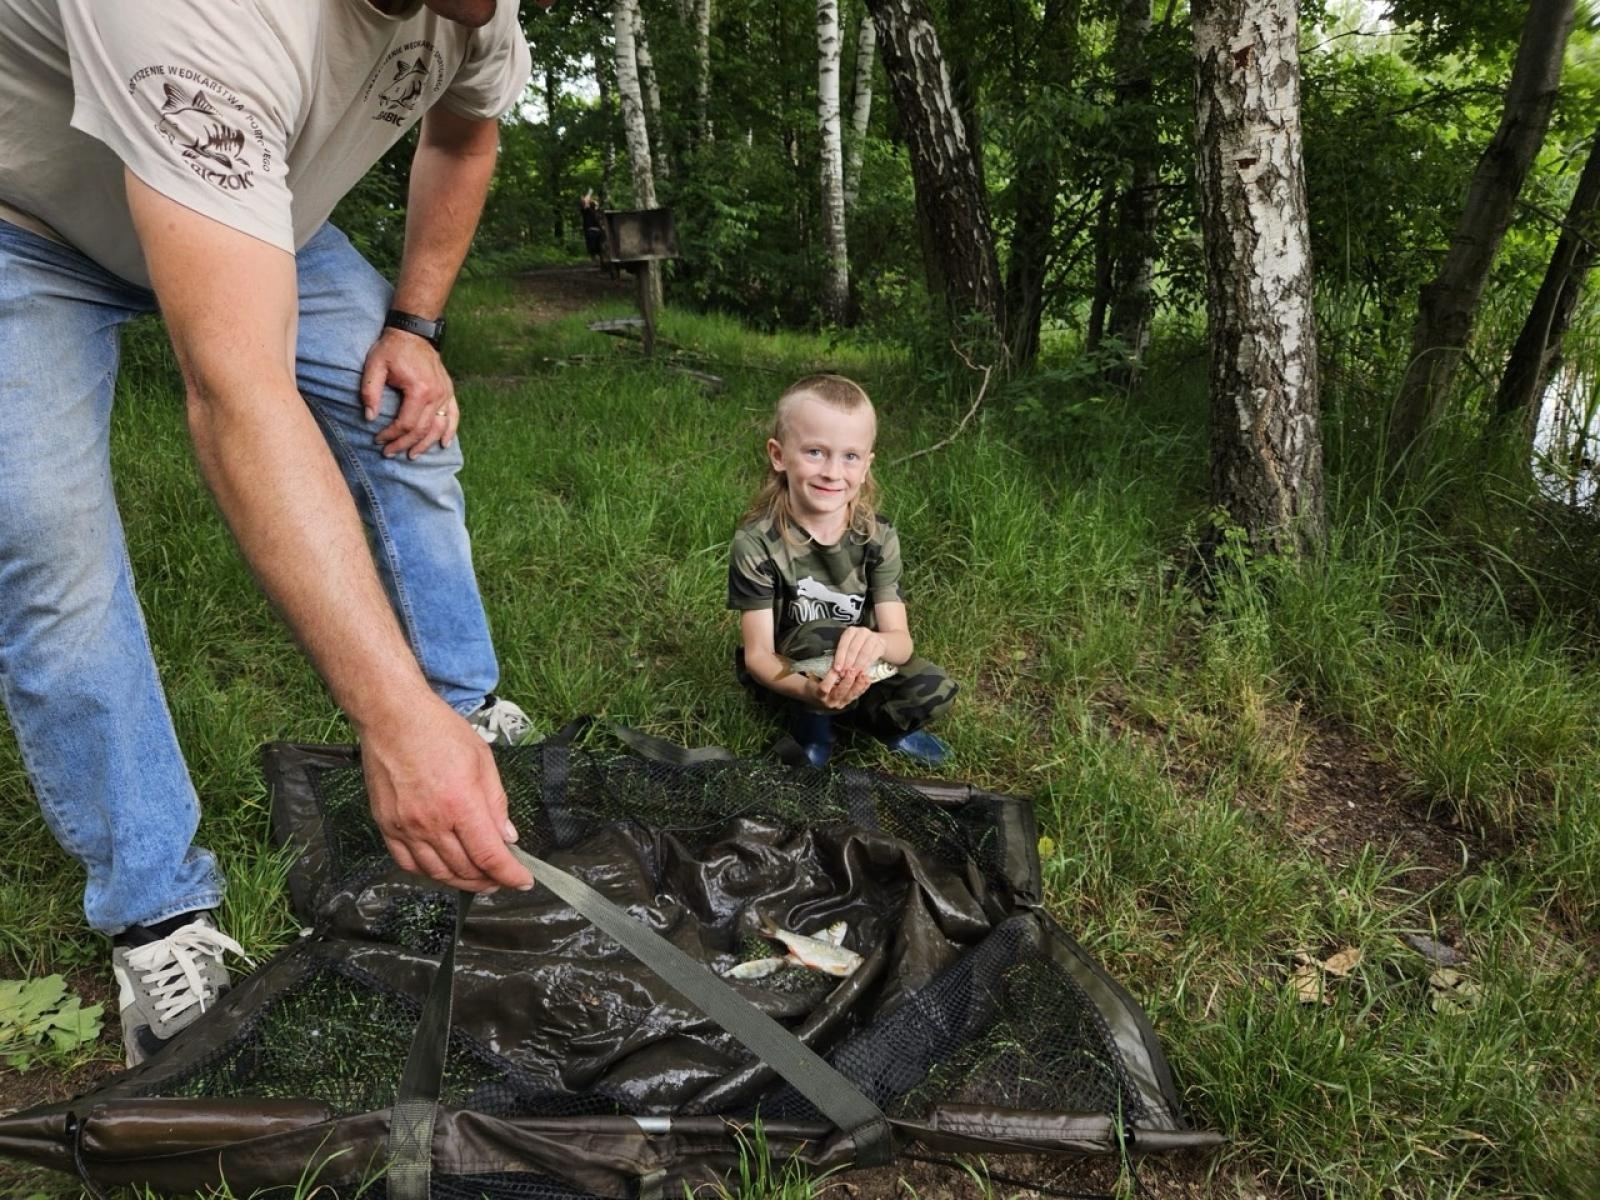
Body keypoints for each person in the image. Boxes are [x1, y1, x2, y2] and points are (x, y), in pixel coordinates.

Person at [0, 0, 541, 1066]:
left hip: (257, 210)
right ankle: (157, 909)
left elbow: (463, 132)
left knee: (407, 420)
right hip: (31, 228)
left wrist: (415, 327)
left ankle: (461, 714)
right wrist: (382, 719)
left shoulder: (479, 13)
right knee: (49, 541)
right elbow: (236, 392)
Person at [728, 375, 957, 769]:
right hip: (795, 670)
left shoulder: (879, 536)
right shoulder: (756, 542)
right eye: (815, 452)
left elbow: (901, 642)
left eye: (850, 456)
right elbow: (760, 656)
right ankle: (813, 730)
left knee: (933, 689)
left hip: (862, 662)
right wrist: (810, 692)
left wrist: (876, 646)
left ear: (867, 465)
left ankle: (888, 727)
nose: (833, 472)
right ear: (779, 455)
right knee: (818, 638)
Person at [579, 189, 607, 267]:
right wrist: (589, 193)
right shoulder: (586, 210)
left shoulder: (598, 211)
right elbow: (586, 203)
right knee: (593, 247)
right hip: (591, 231)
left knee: (601, 247)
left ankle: (602, 262)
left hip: (599, 231)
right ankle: (594, 261)